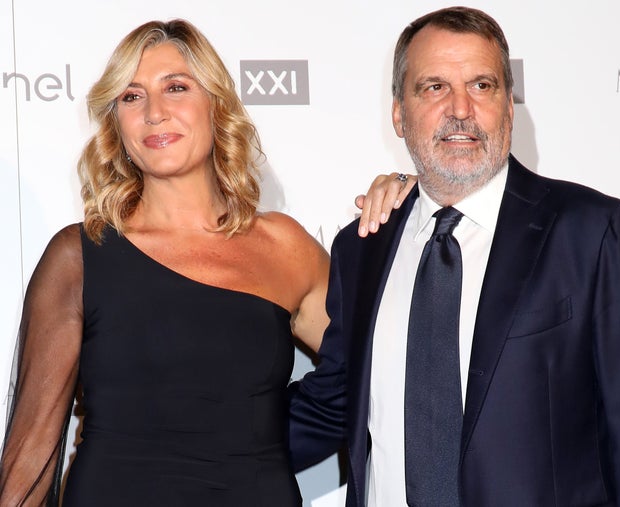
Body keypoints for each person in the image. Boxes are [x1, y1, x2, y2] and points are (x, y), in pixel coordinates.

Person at [0, 19, 405, 506]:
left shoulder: (284, 246)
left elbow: (382, 367)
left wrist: (415, 210)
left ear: (216, 104)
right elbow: (32, 453)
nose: (154, 113)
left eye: (176, 87)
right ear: (116, 125)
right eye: (131, 96)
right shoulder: (79, 256)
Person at [289, 6, 620, 507]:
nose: (461, 109)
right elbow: (334, 404)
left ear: (509, 107)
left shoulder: (593, 232)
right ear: (398, 114)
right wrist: (190, 447)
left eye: (482, 85)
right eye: (434, 87)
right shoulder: (361, 247)